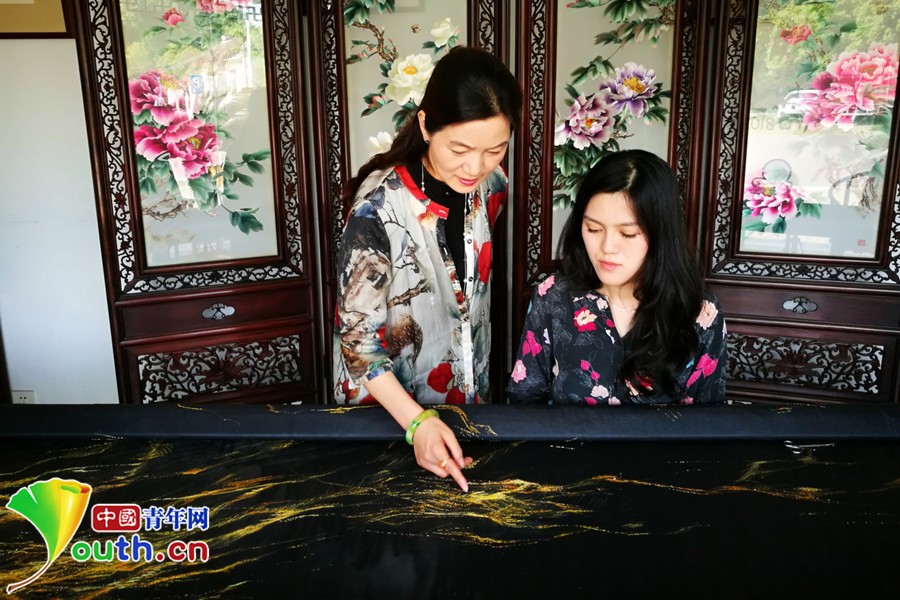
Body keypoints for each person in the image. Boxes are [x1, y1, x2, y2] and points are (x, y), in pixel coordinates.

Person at [334, 46, 523, 491]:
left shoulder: (492, 185)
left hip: (467, 405)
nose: (475, 167)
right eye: (459, 148)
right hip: (391, 419)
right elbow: (357, 342)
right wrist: (416, 423)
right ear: (425, 125)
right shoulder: (376, 210)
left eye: (495, 149)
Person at [506, 150, 726, 405]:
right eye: (593, 229)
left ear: (661, 234)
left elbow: (708, 420)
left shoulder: (700, 313)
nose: (607, 247)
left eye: (628, 234)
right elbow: (524, 401)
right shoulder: (554, 296)